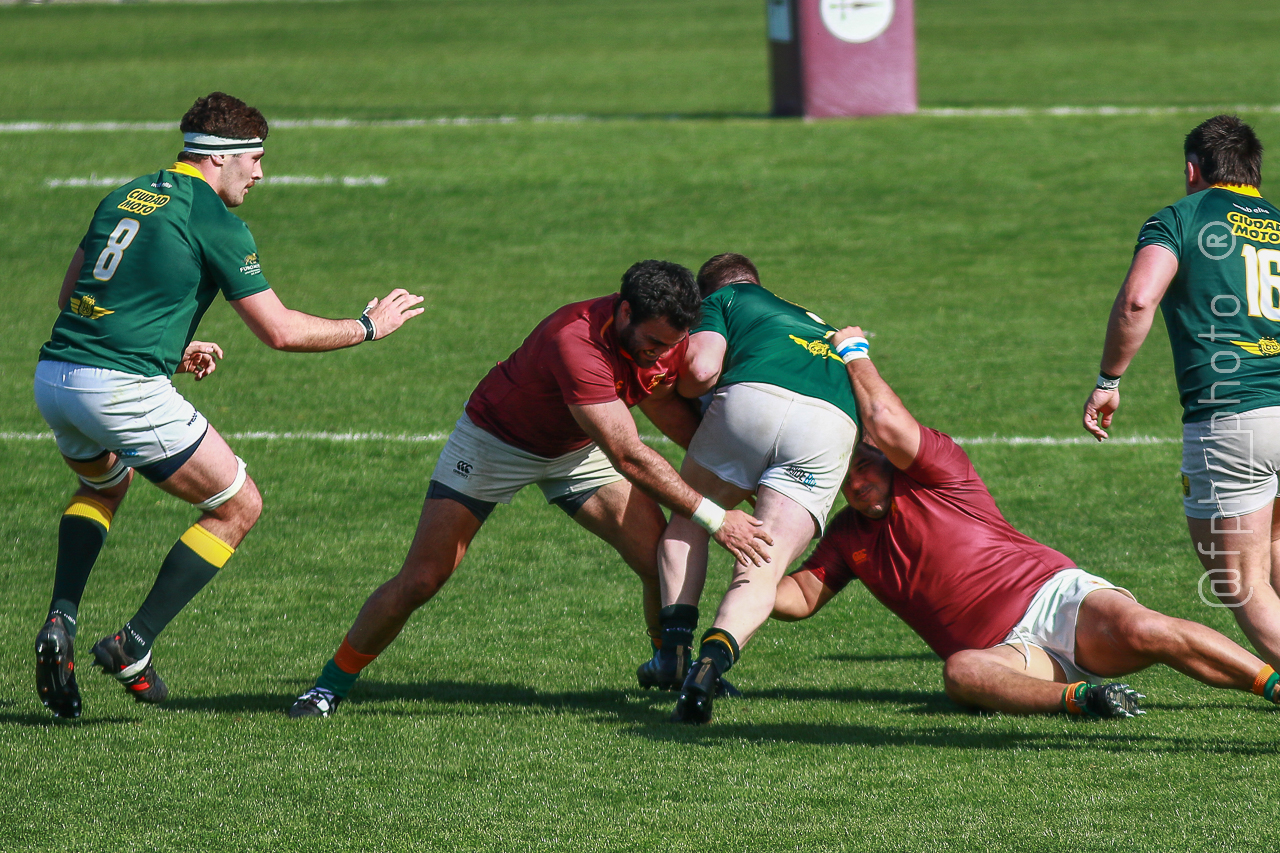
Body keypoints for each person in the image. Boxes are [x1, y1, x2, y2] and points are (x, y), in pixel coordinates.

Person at [32, 92, 425, 719]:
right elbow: (281, 331)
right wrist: (369, 326)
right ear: (221, 157)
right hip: (122, 389)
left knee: (104, 484)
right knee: (238, 505)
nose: (261, 173)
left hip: (56, 379)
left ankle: (61, 617)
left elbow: (71, 296)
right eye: (256, 158)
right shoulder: (214, 220)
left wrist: (170, 347)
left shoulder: (125, 195)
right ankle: (134, 644)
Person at [288, 259, 773, 718]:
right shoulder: (576, 340)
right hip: (495, 444)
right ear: (625, 311)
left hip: (577, 445)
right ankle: (329, 685)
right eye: (653, 342)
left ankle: (671, 663)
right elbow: (627, 455)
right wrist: (717, 517)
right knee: (421, 579)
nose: (662, 353)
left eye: (671, 344)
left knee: (657, 560)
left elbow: (664, 406)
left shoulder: (661, 340)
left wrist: (737, 477)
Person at [770, 325, 1280, 720]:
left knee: (1147, 629)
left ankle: (1273, 686)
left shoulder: (935, 468)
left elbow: (884, 420)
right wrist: (743, 546)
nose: (856, 485)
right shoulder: (847, 535)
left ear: (883, 455)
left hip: (1054, 600)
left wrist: (853, 351)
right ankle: (1085, 700)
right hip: (1012, 655)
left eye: (862, 467)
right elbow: (798, 598)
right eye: (844, 479)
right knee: (962, 671)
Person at [1081, 115, 1280, 669]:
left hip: (1234, 417)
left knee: (1240, 581)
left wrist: (1108, 381)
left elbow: (1137, 300)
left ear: (1193, 170)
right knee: (1273, 548)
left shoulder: (1180, 217)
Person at [642, 254, 861, 724]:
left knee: (690, 518)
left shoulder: (724, 299)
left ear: (705, 292)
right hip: (832, 425)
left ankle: (674, 652)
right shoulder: (819, 323)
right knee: (764, 560)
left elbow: (702, 370)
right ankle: (709, 667)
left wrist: (685, 394)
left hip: (755, 399)